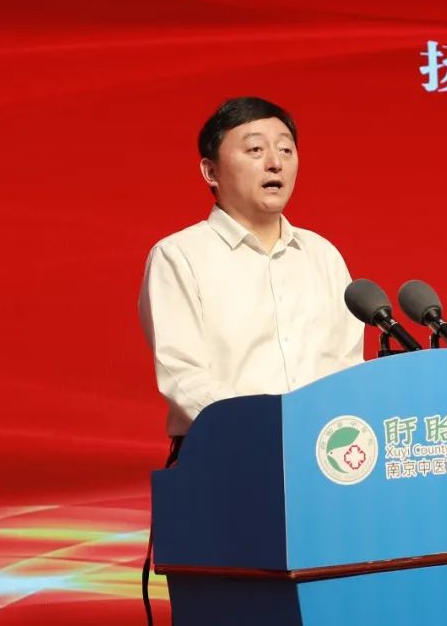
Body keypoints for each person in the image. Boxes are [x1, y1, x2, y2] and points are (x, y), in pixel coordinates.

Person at [138, 96, 364, 447]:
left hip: (322, 451)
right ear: (211, 172)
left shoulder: (323, 255)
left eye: (286, 150)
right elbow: (182, 373)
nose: (275, 163)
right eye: (256, 150)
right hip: (226, 450)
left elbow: (347, 366)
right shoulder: (179, 256)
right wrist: (262, 429)